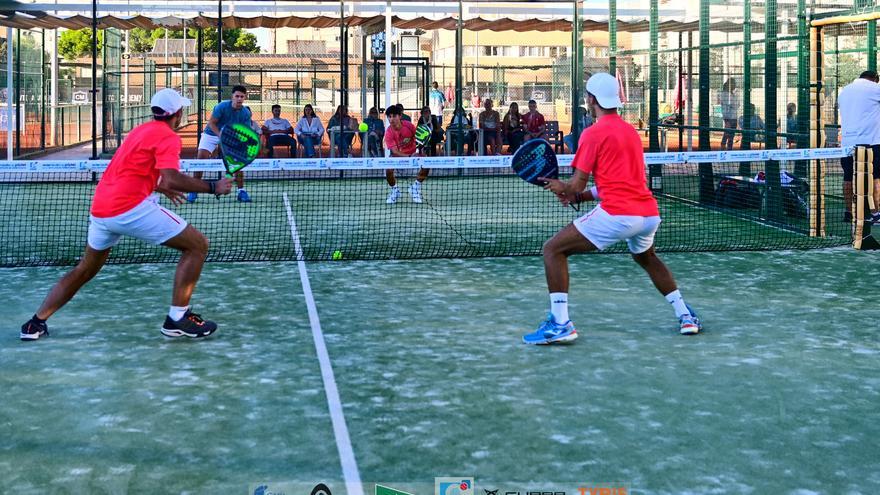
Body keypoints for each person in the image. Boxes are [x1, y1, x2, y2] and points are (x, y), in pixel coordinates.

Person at [19, 89, 233, 341]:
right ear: (177, 114)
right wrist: (212, 187)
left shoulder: (140, 131)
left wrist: (159, 185)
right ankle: (177, 318)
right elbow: (173, 177)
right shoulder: (167, 137)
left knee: (85, 269)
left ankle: (35, 324)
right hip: (130, 209)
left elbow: (129, 169)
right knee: (197, 245)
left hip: (101, 209)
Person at [521, 72, 701, 345]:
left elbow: (576, 184)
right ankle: (685, 315)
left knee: (553, 250)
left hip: (618, 215)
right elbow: (619, 183)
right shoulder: (630, 131)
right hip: (649, 214)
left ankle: (560, 323)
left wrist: (561, 187)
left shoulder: (593, 134)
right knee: (646, 258)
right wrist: (579, 198)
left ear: (591, 100)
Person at [190, 84, 252, 203]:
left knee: (238, 162)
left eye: (242, 97)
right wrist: (221, 136)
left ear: (245, 98)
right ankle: (194, 190)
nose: (239, 99)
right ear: (232, 97)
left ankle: (241, 191)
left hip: (231, 136)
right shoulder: (222, 106)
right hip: (212, 134)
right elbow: (212, 123)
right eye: (237, 96)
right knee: (200, 159)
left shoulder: (245, 113)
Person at [838, 70, 880, 223]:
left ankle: (849, 212)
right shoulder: (875, 89)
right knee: (875, 177)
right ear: (875, 79)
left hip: (848, 144)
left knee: (848, 177)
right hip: (871, 143)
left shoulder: (844, 92)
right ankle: (876, 213)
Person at [384, 104, 428, 204]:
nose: (391, 119)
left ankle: (415, 188)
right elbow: (394, 151)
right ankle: (395, 190)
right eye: (389, 116)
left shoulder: (409, 126)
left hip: (412, 154)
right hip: (398, 157)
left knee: (427, 162)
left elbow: (418, 139)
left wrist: (419, 152)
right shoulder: (388, 133)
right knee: (388, 169)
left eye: (394, 116)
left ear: (400, 116)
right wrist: (409, 157)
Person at [718, 79, 739, 150]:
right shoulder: (725, 94)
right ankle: (723, 148)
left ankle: (729, 149)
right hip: (728, 117)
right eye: (733, 84)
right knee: (727, 133)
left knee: (731, 135)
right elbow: (734, 105)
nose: (735, 85)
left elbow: (737, 105)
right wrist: (726, 120)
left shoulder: (732, 94)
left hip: (733, 116)